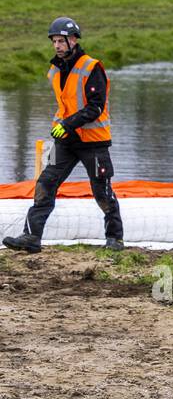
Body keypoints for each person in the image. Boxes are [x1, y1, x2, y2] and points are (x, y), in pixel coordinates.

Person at [3, 17, 124, 254]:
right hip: (66, 141)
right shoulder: (55, 70)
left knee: (102, 191)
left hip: (93, 142)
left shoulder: (92, 67)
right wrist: (62, 126)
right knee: (45, 183)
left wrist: (67, 124)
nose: (57, 45)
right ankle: (31, 237)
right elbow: (66, 104)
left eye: (61, 41)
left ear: (73, 41)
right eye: (54, 41)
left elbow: (95, 107)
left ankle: (115, 238)